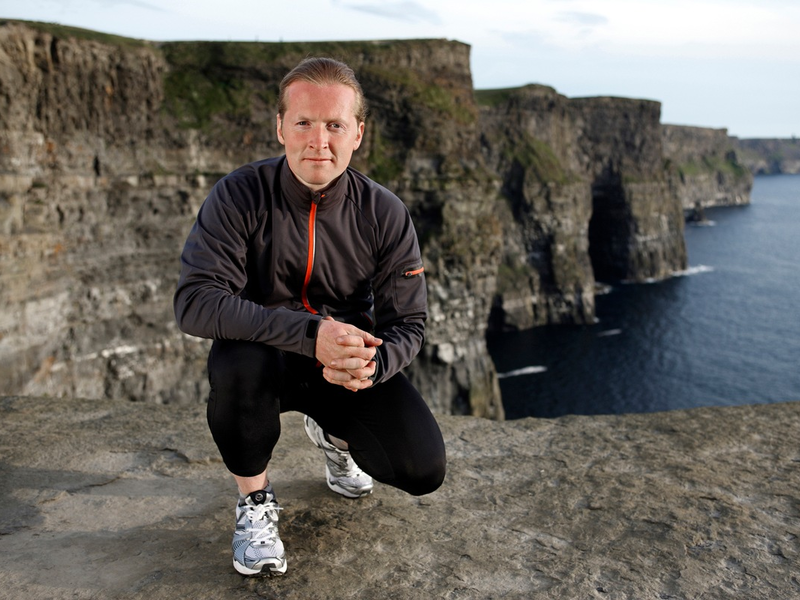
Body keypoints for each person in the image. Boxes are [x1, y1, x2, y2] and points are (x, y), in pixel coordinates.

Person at [173, 57, 446, 577]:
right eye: (303, 122)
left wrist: (373, 364)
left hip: (341, 367)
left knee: (422, 468)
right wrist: (309, 333)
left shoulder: (384, 212)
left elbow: (409, 324)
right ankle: (254, 501)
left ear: (357, 133)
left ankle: (334, 437)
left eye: (335, 125)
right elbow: (196, 301)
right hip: (262, 361)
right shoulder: (239, 195)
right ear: (280, 127)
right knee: (235, 363)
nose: (318, 140)